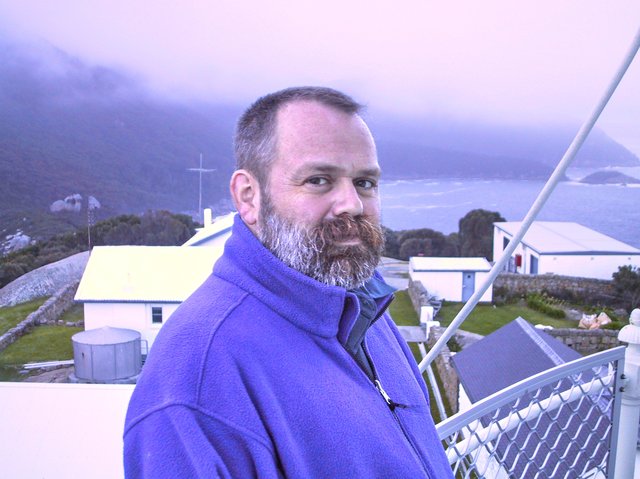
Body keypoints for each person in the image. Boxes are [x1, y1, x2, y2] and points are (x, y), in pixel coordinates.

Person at [123, 86, 453, 478]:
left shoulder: (363, 305)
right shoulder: (194, 382)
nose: (353, 204)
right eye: (318, 180)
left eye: (365, 182)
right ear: (248, 197)